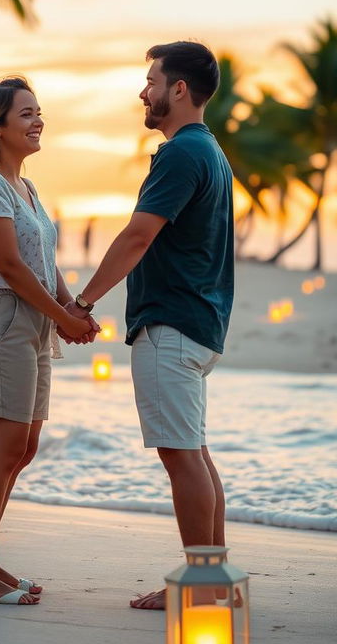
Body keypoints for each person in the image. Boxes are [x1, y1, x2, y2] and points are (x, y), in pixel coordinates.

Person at [64, 41, 234, 610]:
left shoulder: (183, 154)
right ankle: (213, 579)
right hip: (198, 324)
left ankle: (204, 586)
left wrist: (82, 302)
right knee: (194, 453)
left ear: (178, 89)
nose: (145, 90)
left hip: (171, 322)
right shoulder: (209, 151)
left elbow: (138, 236)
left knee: (181, 456)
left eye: (152, 80)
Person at [0, 76, 96, 606]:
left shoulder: (26, 187)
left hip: (33, 320)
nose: (37, 120)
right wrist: (62, 317)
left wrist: (74, 309)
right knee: (2, 447)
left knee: (22, 447)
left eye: (38, 111)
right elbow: (7, 265)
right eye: (25, 114)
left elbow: (41, 263)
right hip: (0, 318)